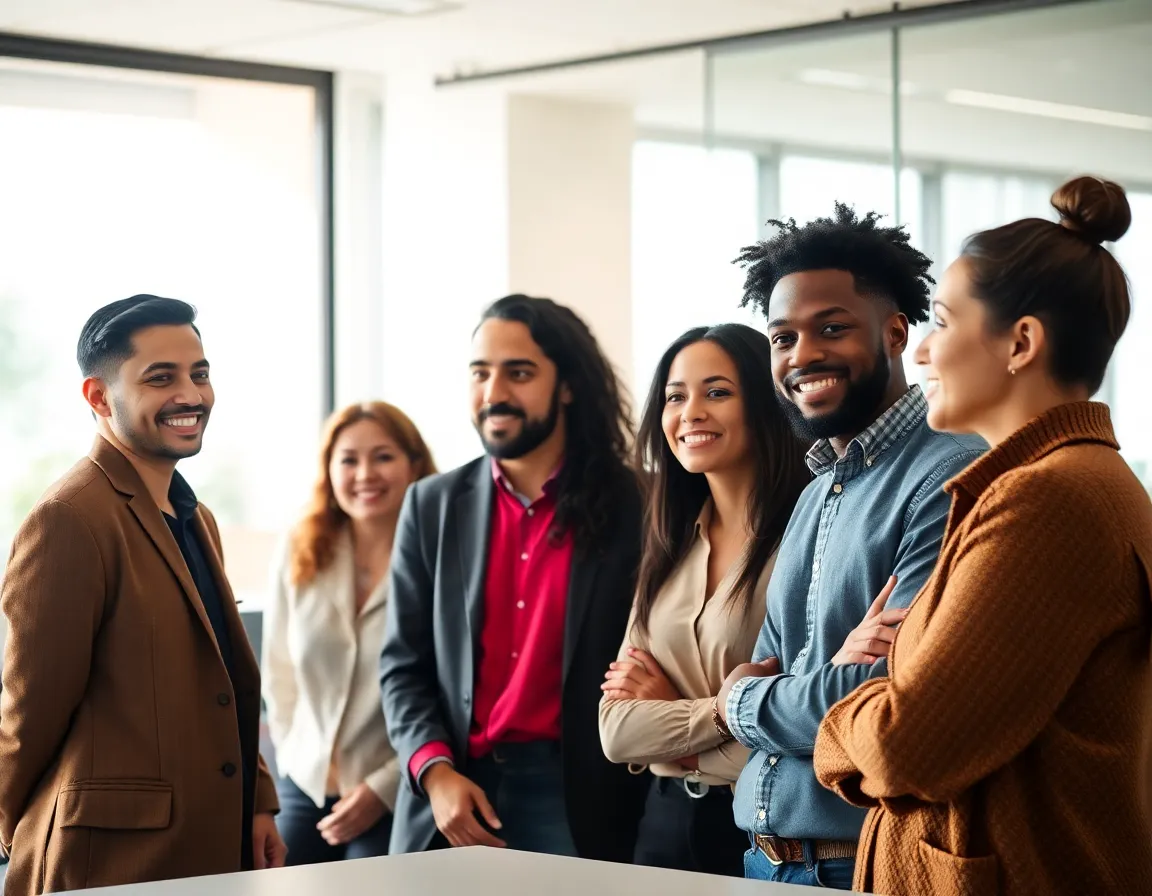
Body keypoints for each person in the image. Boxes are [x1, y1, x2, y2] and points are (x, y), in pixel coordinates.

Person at [815, 177, 1152, 895]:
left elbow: (911, 747)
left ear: (1021, 342)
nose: (924, 351)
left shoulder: (1047, 501)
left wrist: (838, 718)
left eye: (941, 320)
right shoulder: (1057, 484)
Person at [716, 206, 986, 888]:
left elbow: (884, 693)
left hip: (861, 866)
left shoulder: (948, 474)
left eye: (830, 328)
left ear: (894, 332)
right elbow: (780, 668)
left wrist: (736, 705)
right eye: (782, 337)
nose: (802, 355)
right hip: (761, 860)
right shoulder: (814, 494)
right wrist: (799, 684)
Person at [0, 295, 285, 895]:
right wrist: (12, 832)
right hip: (112, 861)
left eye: (199, 374)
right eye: (162, 378)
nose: (192, 395)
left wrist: (257, 801)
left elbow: (223, 679)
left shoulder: (196, 517)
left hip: (211, 847)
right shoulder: (69, 519)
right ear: (100, 399)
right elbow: (29, 712)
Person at [380, 294, 649, 861]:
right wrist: (434, 772)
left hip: (579, 792)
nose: (494, 394)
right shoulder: (431, 504)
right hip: (452, 788)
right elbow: (403, 665)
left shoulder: (640, 505)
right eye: (481, 373)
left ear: (568, 385)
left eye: (519, 373)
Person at [598, 324, 809, 877]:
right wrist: (722, 713)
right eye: (675, 396)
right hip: (663, 828)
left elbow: (810, 727)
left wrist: (676, 739)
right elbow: (617, 730)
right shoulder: (669, 541)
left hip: (766, 831)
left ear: (764, 403)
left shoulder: (804, 538)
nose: (690, 411)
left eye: (717, 392)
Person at [263, 401, 436, 864]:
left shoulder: (441, 559)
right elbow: (278, 671)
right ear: (328, 470)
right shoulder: (301, 548)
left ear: (414, 464)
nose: (365, 474)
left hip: (403, 785)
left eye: (383, 456)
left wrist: (385, 787)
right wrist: (295, 756)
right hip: (307, 780)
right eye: (349, 459)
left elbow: (453, 701)